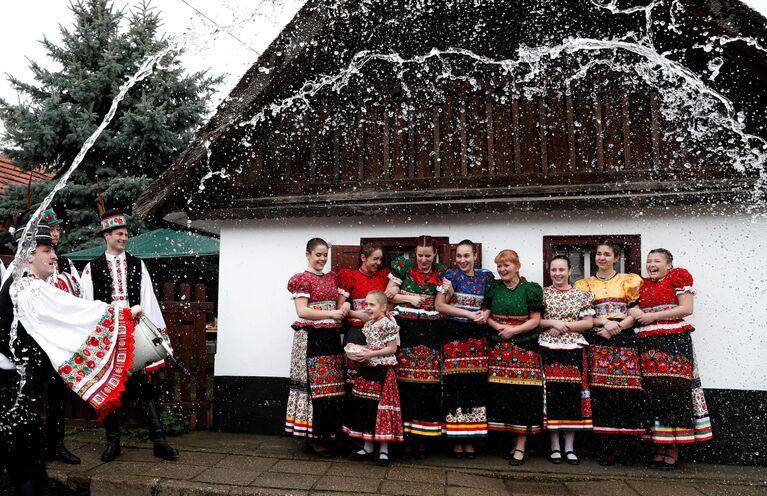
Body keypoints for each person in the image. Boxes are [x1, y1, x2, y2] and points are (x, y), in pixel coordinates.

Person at [1, 222, 140, 495]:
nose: (54, 256)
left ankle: (26, 484)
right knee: (23, 440)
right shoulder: (27, 286)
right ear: (29, 256)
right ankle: (29, 486)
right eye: (46, 250)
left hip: (14, 376)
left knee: (20, 439)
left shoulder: (23, 284)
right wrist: (122, 315)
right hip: (10, 378)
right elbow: (73, 311)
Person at [80, 209, 178, 462]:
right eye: (119, 234)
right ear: (107, 235)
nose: (124, 238)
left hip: (134, 336)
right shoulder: (93, 268)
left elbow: (148, 299)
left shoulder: (137, 264)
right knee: (110, 390)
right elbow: (86, 305)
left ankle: (159, 441)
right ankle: (113, 442)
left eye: (126, 234)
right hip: (108, 338)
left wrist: (154, 334)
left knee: (144, 389)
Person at [629, 249, 712, 470]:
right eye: (649, 261)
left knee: (674, 390)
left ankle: (674, 447)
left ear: (669, 265)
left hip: (674, 340)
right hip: (649, 344)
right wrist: (636, 311)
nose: (651, 264)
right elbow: (635, 306)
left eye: (657, 261)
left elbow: (686, 308)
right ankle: (660, 445)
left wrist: (651, 316)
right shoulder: (643, 285)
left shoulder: (678, 278)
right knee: (654, 392)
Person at [574, 240, 644, 466]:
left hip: (623, 338)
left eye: (606, 254)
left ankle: (628, 449)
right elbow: (582, 316)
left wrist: (618, 326)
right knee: (602, 394)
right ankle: (605, 449)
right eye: (598, 254)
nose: (601, 258)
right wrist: (603, 322)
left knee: (627, 393)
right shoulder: (584, 284)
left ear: (616, 258)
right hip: (598, 338)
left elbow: (636, 311)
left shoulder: (629, 281)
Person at [285, 238, 349, 457]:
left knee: (332, 388)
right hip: (312, 338)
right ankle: (314, 438)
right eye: (318, 254)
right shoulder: (301, 280)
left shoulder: (332, 279)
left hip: (331, 337)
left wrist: (344, 306)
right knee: (316, 387)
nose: (322, 259)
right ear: (307, 254)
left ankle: (328, 434)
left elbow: (340, 303)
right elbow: (302, 311)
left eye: (325, 255)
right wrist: (331, 313)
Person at [385, 235, 448, 457]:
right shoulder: (403, 266)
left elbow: (444, 302)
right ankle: (406, 438)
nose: (423, 260)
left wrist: (447, 292)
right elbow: (388, 295)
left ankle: (424, 439)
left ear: (435, 254)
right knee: (406, 383)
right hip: (407, 329)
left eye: (428, 255)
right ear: (415, 253)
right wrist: (409, 299)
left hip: (430, 330)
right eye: (420, 255)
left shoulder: (441, 271)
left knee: (428, 384)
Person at [434, 239, 493, 459]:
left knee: (474, 384)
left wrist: (485, 313)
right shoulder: (450, 276)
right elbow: (439, 305)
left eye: (466, 256)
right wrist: (469, 314)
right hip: (454, 333)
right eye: (458, 256)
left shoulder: (486, 276)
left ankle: (472, 437)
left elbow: (489, 302)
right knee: (455, 384)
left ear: (475, 256)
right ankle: (456, 439)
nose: (462, 260)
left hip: (477, 337)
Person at [484, 249, 544, 466]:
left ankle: (520, 447)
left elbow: (535, 319)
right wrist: (498, 326)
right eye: (499, 266)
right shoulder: (494, 288)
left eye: (506, 265)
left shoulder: (530, 289)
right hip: (499, 350)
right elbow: (487, 314)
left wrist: (513, 331)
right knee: (503, 397)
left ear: (517, 266)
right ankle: (506, 443)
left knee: (522, 398)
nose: (502, 270)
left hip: (523, 350)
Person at [539, 255, 595, 465]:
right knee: (552, 395)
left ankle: (569, 447)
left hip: (573, 347)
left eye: (562, 269)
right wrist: (551, 323)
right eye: (554, 270)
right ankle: (554, 446)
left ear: (570, 271)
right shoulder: (542, 294)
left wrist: (563, 326)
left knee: (571, 395)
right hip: (548, 347)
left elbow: (588, 323)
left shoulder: (582, 295)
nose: (558, 274)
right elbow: (536, 321)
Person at [342, 290, 403, 466]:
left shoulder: (389, 323)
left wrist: (370, 353)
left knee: (381, 409)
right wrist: (360, 349)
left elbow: (392, 349)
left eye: (372, 305)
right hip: (368, 368)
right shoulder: (369, 324)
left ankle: (383, 449)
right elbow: (371, 345)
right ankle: (367, 446)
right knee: (366, 406)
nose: (367, 308)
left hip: (383, 370)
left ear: (383, 307)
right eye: (366, 304)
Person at [336, 243, 392, 395]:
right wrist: (358, 315)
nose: (378, 263)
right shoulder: (350, 276)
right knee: (354, 373)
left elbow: (390, 300)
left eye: (380, 259)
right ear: (363, 258)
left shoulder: (383, 276)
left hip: (378, 334)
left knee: (374, 374)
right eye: (375, 259)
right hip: (357, 331)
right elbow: (340, 307)